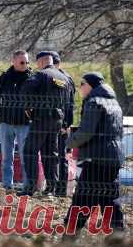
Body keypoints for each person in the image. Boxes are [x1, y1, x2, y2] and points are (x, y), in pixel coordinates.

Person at [64, 72, 125, 230]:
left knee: (83, 198)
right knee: (109, 198)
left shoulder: (93, 102)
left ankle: (70, 235)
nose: (80, 88)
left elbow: (86, 132)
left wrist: (69, 142)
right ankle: (119, 234)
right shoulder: (114, 103)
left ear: (90, 85)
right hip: (113, 157)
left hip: (96, 159)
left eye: (82, 84)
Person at [17, 51, 70, 196]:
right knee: (50, 154)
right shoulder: (63, 77)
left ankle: (31, 187)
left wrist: (28, 107)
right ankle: (51, 188)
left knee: (29, 151)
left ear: (41, 62)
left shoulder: (41, 75)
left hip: (41, 118)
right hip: (57, 120)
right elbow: (68, 101)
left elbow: (25, 89)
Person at [0, 50, 32, 191]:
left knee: (25, 157)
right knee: (6, 158)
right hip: (6, 123)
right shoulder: (5, 77)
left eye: (27, 62)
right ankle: (8, 185)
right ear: (13, 61)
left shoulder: (31, 77)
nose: (25, 64)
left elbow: (38, 99)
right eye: (22, 62)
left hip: (24, 124)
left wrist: (31, 114)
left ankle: (27, 186)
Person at [51, 51, 76, 196]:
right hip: (54, 123)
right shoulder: (64, 77)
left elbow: (70, 104)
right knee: (55, 157)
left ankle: (60, 190)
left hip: (61, 125)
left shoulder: (64, 79)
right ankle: (56, 189)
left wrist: (66, 125)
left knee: (61, 157)